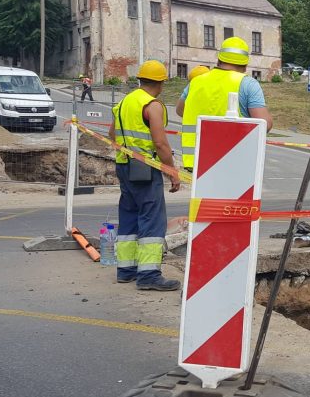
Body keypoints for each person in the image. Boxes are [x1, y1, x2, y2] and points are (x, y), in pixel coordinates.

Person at [107, 60, 182, 291]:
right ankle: (149, 275)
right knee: (152, 220)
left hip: (124, 167)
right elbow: (160, 143)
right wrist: (171, 171)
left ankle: (126, 270)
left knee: (129, 217)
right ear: (160, 83)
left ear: (140, 79)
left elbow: (111, 134)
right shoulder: (152, 105)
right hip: (145, 169)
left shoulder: (124, 102)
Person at [180, 37, 273, 170]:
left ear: (219, 60)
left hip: (197, 162)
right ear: (245, 65)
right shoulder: (248, 84)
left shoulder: (196, 82)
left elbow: (180, 110)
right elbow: (264, 124)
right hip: (232, 163)